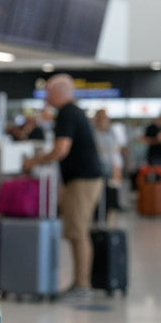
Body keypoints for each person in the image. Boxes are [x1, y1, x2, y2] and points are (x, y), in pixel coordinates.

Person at [21, 74, 104, 300]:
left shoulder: (67, 114)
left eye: (48, 92)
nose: (46, 97)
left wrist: (34, 161)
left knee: (78, 231)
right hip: (81, 179)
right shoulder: (74, 112)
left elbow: (61, 150)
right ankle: (81, 282)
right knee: (77, 231)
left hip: (82, 180)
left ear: (60, 93)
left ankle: (82, 284)